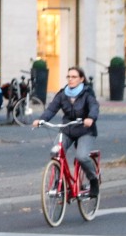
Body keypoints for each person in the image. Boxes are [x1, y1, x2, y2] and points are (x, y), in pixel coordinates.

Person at [34, 66, 100, 199]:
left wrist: (91, 118)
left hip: (85, 130)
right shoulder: (63, 94)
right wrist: (41, 120)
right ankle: (59, 183)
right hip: (68, 129)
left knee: (81, 156)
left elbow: (94, 106)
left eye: (74, 77)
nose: (70, 79)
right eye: (68, 77)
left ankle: (93, 180)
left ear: (81, 79)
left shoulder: (87, 93)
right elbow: (51, 109)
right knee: (55, 151)